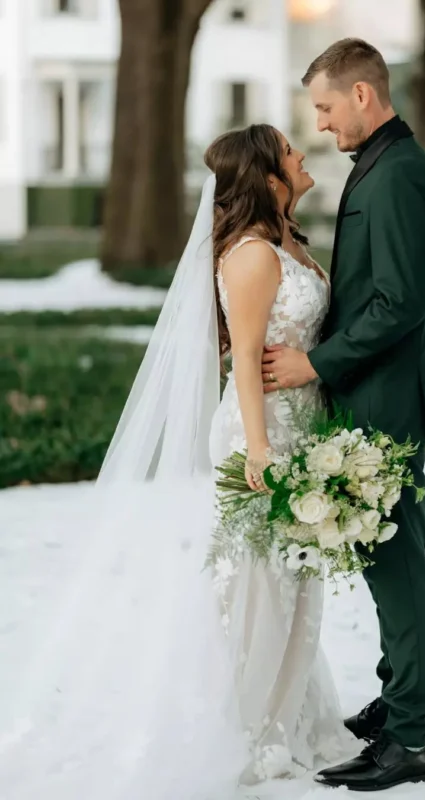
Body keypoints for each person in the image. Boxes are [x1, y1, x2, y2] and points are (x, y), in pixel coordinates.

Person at [0, 124, 355, 798]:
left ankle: (285, 713)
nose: (302, 153)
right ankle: (246, 722)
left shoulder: (288, 245)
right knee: (257, 584)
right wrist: (259, 448)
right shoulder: (252, 255)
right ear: (265, 172)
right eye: (287, 149)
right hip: (264, 435)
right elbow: (245, 357)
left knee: (292, 580)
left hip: (302, 427)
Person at [262, 38, 425, 792]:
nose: (323, 124)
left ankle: (408, 739)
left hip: (385, 400)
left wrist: (317, 363)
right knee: (387, 560)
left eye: (328, 107)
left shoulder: (399, 175)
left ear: (364, 96)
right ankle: (398, 696)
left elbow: (397, 303)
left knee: (397, 567)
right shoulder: (381, 165)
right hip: (375, 396)